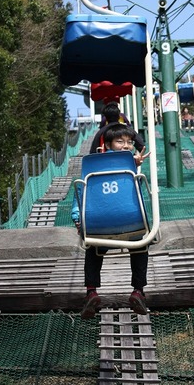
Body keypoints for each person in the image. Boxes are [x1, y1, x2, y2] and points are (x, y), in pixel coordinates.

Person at [72, 123, 150, 319]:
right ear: (107, 144)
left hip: (99, 223)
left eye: (129, 142)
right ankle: (138, 290)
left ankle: (91, 291)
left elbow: (81, 189)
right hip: (129, 220)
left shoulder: (92, 166)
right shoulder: (131, 166)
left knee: (94, 249)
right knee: (140, 245)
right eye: (120, 141)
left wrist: (77, 216)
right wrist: (136, 167)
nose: (125, 146)